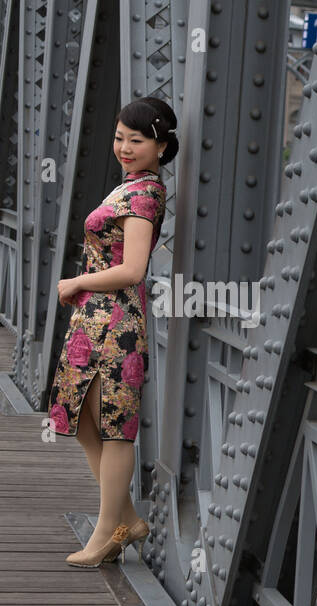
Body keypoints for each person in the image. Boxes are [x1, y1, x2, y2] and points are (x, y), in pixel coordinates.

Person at [48, 97, 175, 568]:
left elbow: (134, 269)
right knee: (82, 420)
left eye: (136, 140)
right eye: (120, 137)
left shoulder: (144, 195)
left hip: (117, 326)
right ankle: (125, 519)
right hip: (93, 322)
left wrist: (78, 281)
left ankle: (107, 533)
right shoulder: (130, 185)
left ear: (160, 146)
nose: (124, 146)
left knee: (113, 428)